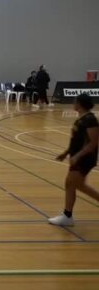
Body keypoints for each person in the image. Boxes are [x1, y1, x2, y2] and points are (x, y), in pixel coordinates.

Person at [48, 94, 99, 226]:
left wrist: (77, 156)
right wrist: (66, 153)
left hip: (85, 158)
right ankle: (67, 215)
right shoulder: (81, 119)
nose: (73, 103)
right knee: (73, 184)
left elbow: (93, 143)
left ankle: (67, 215)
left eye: (75, 101)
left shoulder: (90, 120)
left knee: (73, 183)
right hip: (78, 157)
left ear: (80, 104)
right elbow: (75, 141)